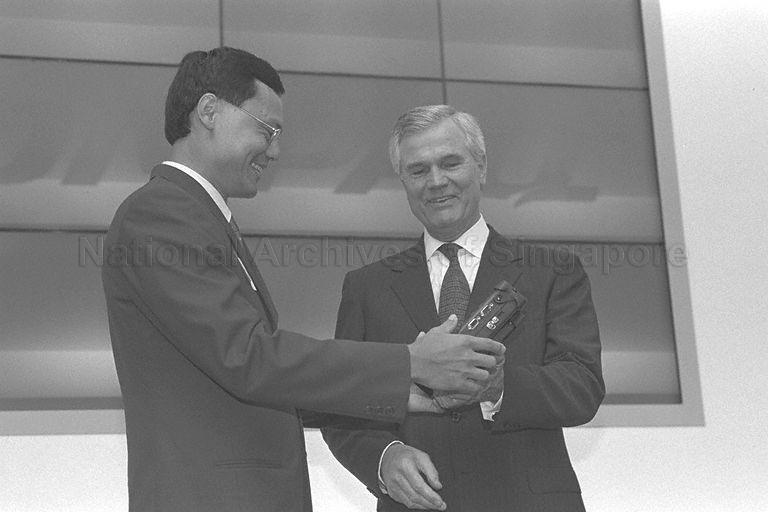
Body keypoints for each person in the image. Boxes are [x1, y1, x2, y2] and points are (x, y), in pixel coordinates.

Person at [101, 49, 505, 512]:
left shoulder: (197, 216)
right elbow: (247, 357)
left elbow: (258, 376)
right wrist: (408, 363)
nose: (274, 151)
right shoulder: (163, 213)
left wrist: (408, 391)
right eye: (267, 129)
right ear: (209, 111)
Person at [322, 105, 605, 511]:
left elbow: (582, 386)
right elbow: (344, 405)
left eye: (450, 163)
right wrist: (384, 458)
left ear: (481, 166)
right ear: (403, 181)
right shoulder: (366, 287)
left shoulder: (552, 271)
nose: (436, 181)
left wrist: (499, 387)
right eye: (418, 170)